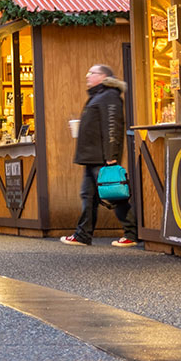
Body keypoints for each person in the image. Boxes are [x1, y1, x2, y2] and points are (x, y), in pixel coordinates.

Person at [61, 65, 139, 247]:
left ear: (103, 76)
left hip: (102, 158)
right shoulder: (98, 96)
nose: (88, 76)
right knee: (88, 197)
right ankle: (82, 235)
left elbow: (113, 125)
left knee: (114, 195)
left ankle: (132, 234)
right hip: (91, 157)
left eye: (92, 73)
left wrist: (111, 156)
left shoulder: (110, 96)